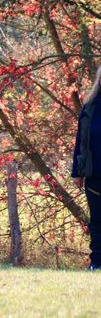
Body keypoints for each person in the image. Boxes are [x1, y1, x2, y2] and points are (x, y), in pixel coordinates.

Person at [72, 66, 101, 271]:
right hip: (95, 175)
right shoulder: (89, 108)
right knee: (97, 222)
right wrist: (77, 172)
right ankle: (97, 262)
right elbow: (80, 142)